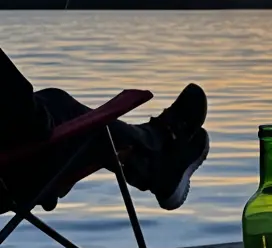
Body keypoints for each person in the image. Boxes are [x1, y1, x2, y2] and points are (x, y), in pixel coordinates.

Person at [0, 45, 209, 212]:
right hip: (17, 174)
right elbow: (33, 123)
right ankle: (153, 152)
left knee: (51, 103)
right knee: (53, 110)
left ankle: (150, 152)